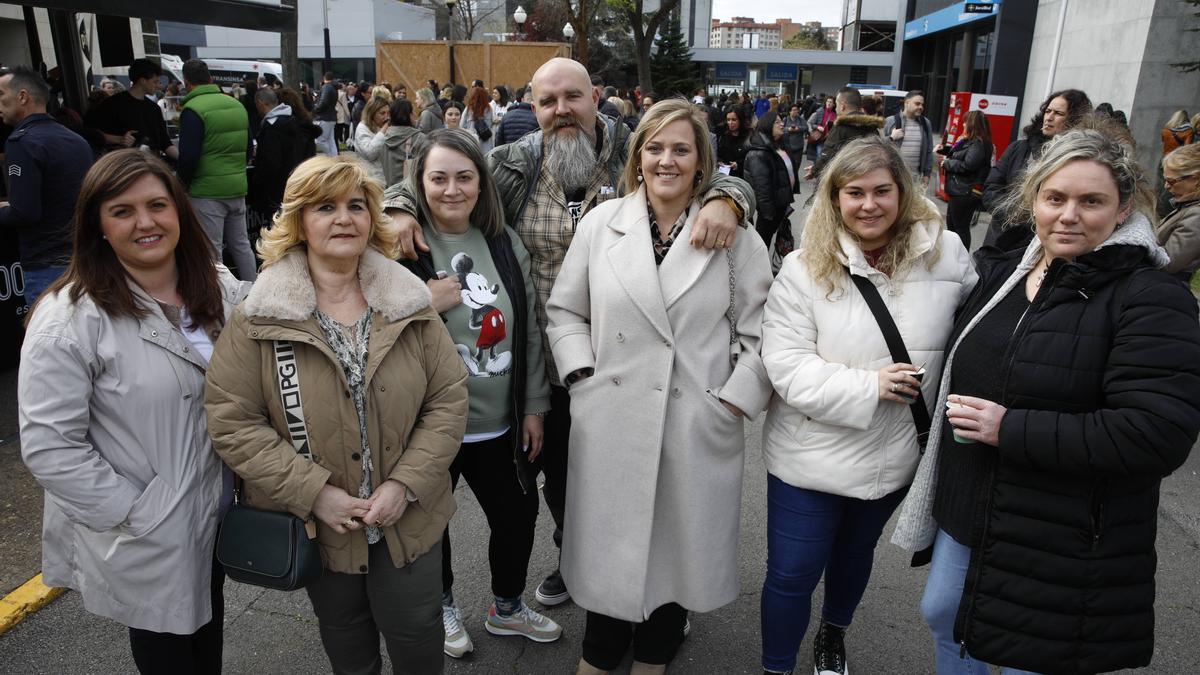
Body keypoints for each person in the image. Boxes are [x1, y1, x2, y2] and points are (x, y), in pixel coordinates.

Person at [382, 59, 755, 612]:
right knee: (559, 481)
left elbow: (706, 165)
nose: (562, 110)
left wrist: (731, 199)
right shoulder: (510, 164)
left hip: (636, 364)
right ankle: (576, 562)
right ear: (533, 106)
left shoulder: (634, 144)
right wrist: (398, 205)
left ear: (595, 97)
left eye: (572, 97)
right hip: (543, 360)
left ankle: (651, 589)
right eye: (547, 100)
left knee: (639, 481)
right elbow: (447, 176)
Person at [891, 125, 1200, 674]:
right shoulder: (1009, 271)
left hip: (1063, 531)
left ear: (1123, 207)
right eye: (1055, 198)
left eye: (1092, 201)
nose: (1069, 215)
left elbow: (1157, 433)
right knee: (943, 616)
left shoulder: (1151, 297)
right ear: (1033, 198)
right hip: (973, 508)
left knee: (1025, 656)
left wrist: (1010, 428)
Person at [205, 155, 468, 675]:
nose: (343, 218)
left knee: (418, 635)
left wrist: (406, 484)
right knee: (346, 641)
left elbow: (448, 399)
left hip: (408, 518)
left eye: (356, 206)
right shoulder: (260, 314)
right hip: (321, 525)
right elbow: (232, 420)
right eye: (325, 207)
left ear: (373, 219)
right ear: (299, 221)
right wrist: (314, 493)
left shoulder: (408, 303)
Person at [545, 97, 772, 675]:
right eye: (654, 147)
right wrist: (581, 378)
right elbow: (566, 311)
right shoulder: (602, 223)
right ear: (637, 156)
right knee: (608, 545)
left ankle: (656, 649)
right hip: (612, 415)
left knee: (677, 549)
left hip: (693, 417)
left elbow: (764, 333)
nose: (666, 160)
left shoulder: (735, 237)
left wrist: (731, 402)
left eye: (681, 149)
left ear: (702, 161)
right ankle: (601, 648)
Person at [19, 149, 249, 673]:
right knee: (167, 651)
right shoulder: (70, 318)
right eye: (122, 211)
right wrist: (138, 512)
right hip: (149, 528)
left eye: (157, 205)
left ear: (179, 211)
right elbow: (50, 448)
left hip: (213, 513)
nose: (145, 222)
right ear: (97, 225)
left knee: (205, 640)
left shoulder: (214, 286)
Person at [760, 135, 976, 675]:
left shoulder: (946, 255)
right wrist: (869, 387)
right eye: (853, 192)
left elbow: (976, 336)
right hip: (809, 454)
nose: (869, 205)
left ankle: (833, 634)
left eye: (882, 191)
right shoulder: (804, 267)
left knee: (855, 558)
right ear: (833, 199)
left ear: (903, 193)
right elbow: (785, 366)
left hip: (896, 454)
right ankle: (776, 666)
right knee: (791, 573)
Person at [397, 128, 562, 658]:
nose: (452, 189)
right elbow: (371, 325)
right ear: (419, 184)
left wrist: (535, 405)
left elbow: (531, 328)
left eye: (464, 177)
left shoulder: (502, 241)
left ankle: (507, 606)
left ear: (481, 182)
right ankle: (439, 604)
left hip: (500, 419)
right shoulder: (401, 246)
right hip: (426, 426)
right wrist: (424, 299)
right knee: (429, 524)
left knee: (516, 517)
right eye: (438, 178)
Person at [0, 66, 94, 304]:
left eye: (1, 95)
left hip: (47, 266)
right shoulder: (77, 140)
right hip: (85, 261)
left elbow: (24, 213)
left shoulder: (22, 142)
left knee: (52, 339)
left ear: (22, 96)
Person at [177, 59, 257, 282]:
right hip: (237, 186)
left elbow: (189, 155)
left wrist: (181, 184)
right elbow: (249, 147)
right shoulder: (236, 104)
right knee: (241, 245)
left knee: (212, 250)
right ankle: (254, 290)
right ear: (210, 78)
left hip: (206, 190)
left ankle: (218, 297)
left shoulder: (193, 110)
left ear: (186, 82)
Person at [981, 88, 1091, 249]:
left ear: (1076, 119)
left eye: (1058, 113)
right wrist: (1011, 213)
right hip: (1000, 237)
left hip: (1040, 245)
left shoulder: (1080, 160)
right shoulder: (1019, 148)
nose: (1049, 117)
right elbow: (991, 187)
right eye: (1047, 111)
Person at [247, 87, 319, 248]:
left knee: (280, 233)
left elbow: (271, 164)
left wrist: (258, 182)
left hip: (278, 190)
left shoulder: (272, 128)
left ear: (260, 103)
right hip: (298, 185)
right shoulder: (296, 122)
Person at [84, 58, 177, 160]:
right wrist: (119, 139)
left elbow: (165, 143)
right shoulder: (112, 104)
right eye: (155, 81)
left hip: (151, 166)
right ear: (142, 81)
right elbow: (91, 133)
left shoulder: (154, 108)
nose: (159, 86)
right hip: (124, 166)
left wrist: (185, 159)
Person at [938, 110, 993, 250]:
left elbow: (968, 165)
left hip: (965, 192)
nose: (962, 124)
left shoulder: (978, 144)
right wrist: (944, 150)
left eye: (965, 122)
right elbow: (959, 153)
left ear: (972, 124)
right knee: (953, 225)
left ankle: (960, 259)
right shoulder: (969, 141)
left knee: (959, 227)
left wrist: (947, 163)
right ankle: (953, 255)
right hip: (959, 190)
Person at [743, 111, 795, 249]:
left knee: (768, 239)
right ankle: (758, 269)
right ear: (767, 126)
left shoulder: (777, 145)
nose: (782, 124)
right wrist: (768, 213)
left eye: (781, 121)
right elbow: (762, 186)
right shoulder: (759, 153)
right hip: (770, 208)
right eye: (777, 122)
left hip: (780, 203)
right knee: (762, 242)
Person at [810, 87, 884, 181]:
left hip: (843, 179)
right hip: (868, 178)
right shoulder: (873, 127)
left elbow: (827, 155)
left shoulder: (841, 128)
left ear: (842, 106)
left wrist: (814, 170)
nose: (835, 108)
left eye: (836, 104)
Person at [1157, 142, 1200, 283]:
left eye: (1171, 181)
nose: (1166, 186)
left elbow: (1169, 262)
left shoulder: (1196, 215)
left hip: (1164, 287)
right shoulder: (1187, 207)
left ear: (1196, 179)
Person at [884, 90, 933, 189]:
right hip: (894, 177)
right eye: (917, 104)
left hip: (915, 178)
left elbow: (929, 151)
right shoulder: (891, 121)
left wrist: (927, 174)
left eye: (922, 105)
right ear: (906, 103)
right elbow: (878, 146)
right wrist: (891, 138)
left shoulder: (925, 123)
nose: (921, 107)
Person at [379, 98, 428, 189]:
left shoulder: (382, 137)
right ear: (408, 115)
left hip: (389, 191)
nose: (415, 115)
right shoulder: (419, 138)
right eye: (413, 112)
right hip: (412, 192)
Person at [352, 96, 392, 183]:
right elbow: (370, 153)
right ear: (371, 113)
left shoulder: (384, 126)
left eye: (388, 113)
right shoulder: (362, 128)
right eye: (382, 113)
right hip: (370, 178)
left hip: (386, 178)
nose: (386, 117)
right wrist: (383, 130)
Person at [717, 106, 751, 178]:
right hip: (725, 176)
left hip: (742, 177)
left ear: (740, 120)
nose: (730, 123)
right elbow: (719, 154)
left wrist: (739, 164)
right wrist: (719, 162)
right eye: (728, 120)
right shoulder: (723, 136)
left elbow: (751, 159)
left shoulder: (749, 136)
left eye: (734, 120)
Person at [781, 104, 807, 191]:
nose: (795, 111)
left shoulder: (801, 119)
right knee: (788, 163)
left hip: (798, 145)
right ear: (789, 111)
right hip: (788, 145)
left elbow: (806, 127)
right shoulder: (785, 119)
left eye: (796, 110)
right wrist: (788, 129)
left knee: (797, 163)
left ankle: (794, 178)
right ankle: (788, 177)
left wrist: (798, 128)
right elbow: (781, 128)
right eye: (793, 110)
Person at [312, 72, 339, 156]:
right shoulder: (334, 88)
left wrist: (315, 110)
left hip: (324, 117)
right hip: (331, 117)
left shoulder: (326, 87)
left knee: (319, 140)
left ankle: (331, 155)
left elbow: (323, 102)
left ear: (324, 78)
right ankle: (335, 158)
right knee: (331, 140)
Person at [462, 85, 494, 153]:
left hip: (471, 141)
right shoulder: (488, 109)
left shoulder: (468, 109)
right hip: (485, 143)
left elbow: (462, 125)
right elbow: (489, 125)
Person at [807, 97, 836, 162]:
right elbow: (811, 123)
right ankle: (817, 170)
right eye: (827, 101)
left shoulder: (835, 115)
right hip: (820, 138)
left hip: (830, 139)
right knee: (819, 156)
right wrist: (818, 127)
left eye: (830, 102)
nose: (828, 103)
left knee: (827, 158)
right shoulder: (820, 111)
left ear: (834, 104)